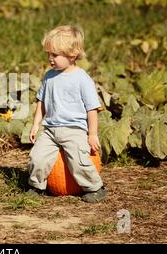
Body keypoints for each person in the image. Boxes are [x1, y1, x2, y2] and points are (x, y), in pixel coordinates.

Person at [27, 25, 107, 203]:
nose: (50, 58)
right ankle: (36, 186)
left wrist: (92, 134)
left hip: (74, 130)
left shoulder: (82, 79)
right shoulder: (49, 76)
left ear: (72, 55)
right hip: (51, 130)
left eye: (55, 55)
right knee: (37, 157)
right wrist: (35, 124)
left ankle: (95, 187)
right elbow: (42, 102)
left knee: (79, 160)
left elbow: (91, 109)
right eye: (49, 54)